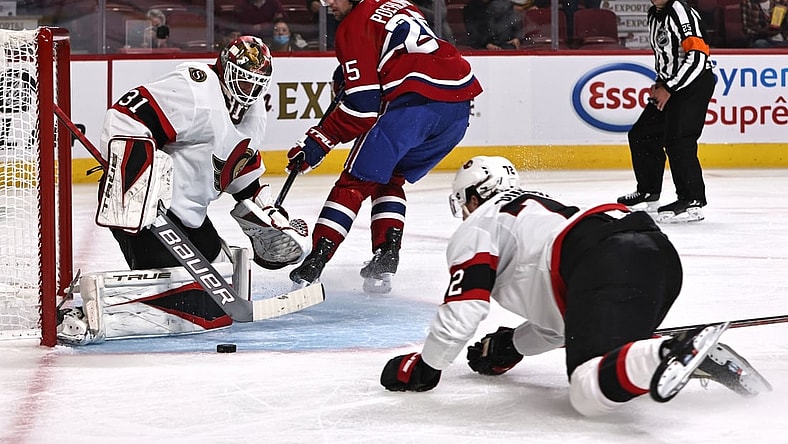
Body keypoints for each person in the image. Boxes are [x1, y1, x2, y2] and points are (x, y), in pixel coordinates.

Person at [380, 156, 771, 416]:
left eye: (464, 201)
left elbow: (464, 309)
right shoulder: (535, 211)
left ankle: (673, 350)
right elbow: (565, 325)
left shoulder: (480, 221)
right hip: (655, 254)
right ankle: (687, 355)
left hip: (604, 261)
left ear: (475, 194)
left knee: (587, 388)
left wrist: (424, 369)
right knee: (617, 358)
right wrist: (512, 346)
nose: (463, 211)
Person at [56, 36, 310, 344]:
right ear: (226, 69)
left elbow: (241, 172)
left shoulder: (254, 114)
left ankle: (128, 298)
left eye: (257, 84)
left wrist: (268, 212)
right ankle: (84, 319)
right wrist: (138, 182)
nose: (250, 91)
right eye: (244, 82)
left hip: (188, 218)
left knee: (222, 288)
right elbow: (125, 116)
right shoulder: (197, 89)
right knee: (199, 307)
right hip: (143, 209)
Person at [285, 0, 483, 294]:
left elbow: (362, 109)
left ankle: (314, 263)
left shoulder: (353, 25)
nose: (328, 5)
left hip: (414, 105)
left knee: (354, 182)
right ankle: (386, 257)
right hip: (457, 112)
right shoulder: (400, 4)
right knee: (390, 176)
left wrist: (317, 142)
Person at [616, 0, 714, 223]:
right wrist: (661, 82)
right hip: (671, 84)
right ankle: (649, 191)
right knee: (642, 135)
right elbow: (665, 56)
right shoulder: (654, 15)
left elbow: (698, 57)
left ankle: (692, 199)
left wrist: (669, 87)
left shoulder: (681, 12)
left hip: (693, 84)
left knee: (679, 140)